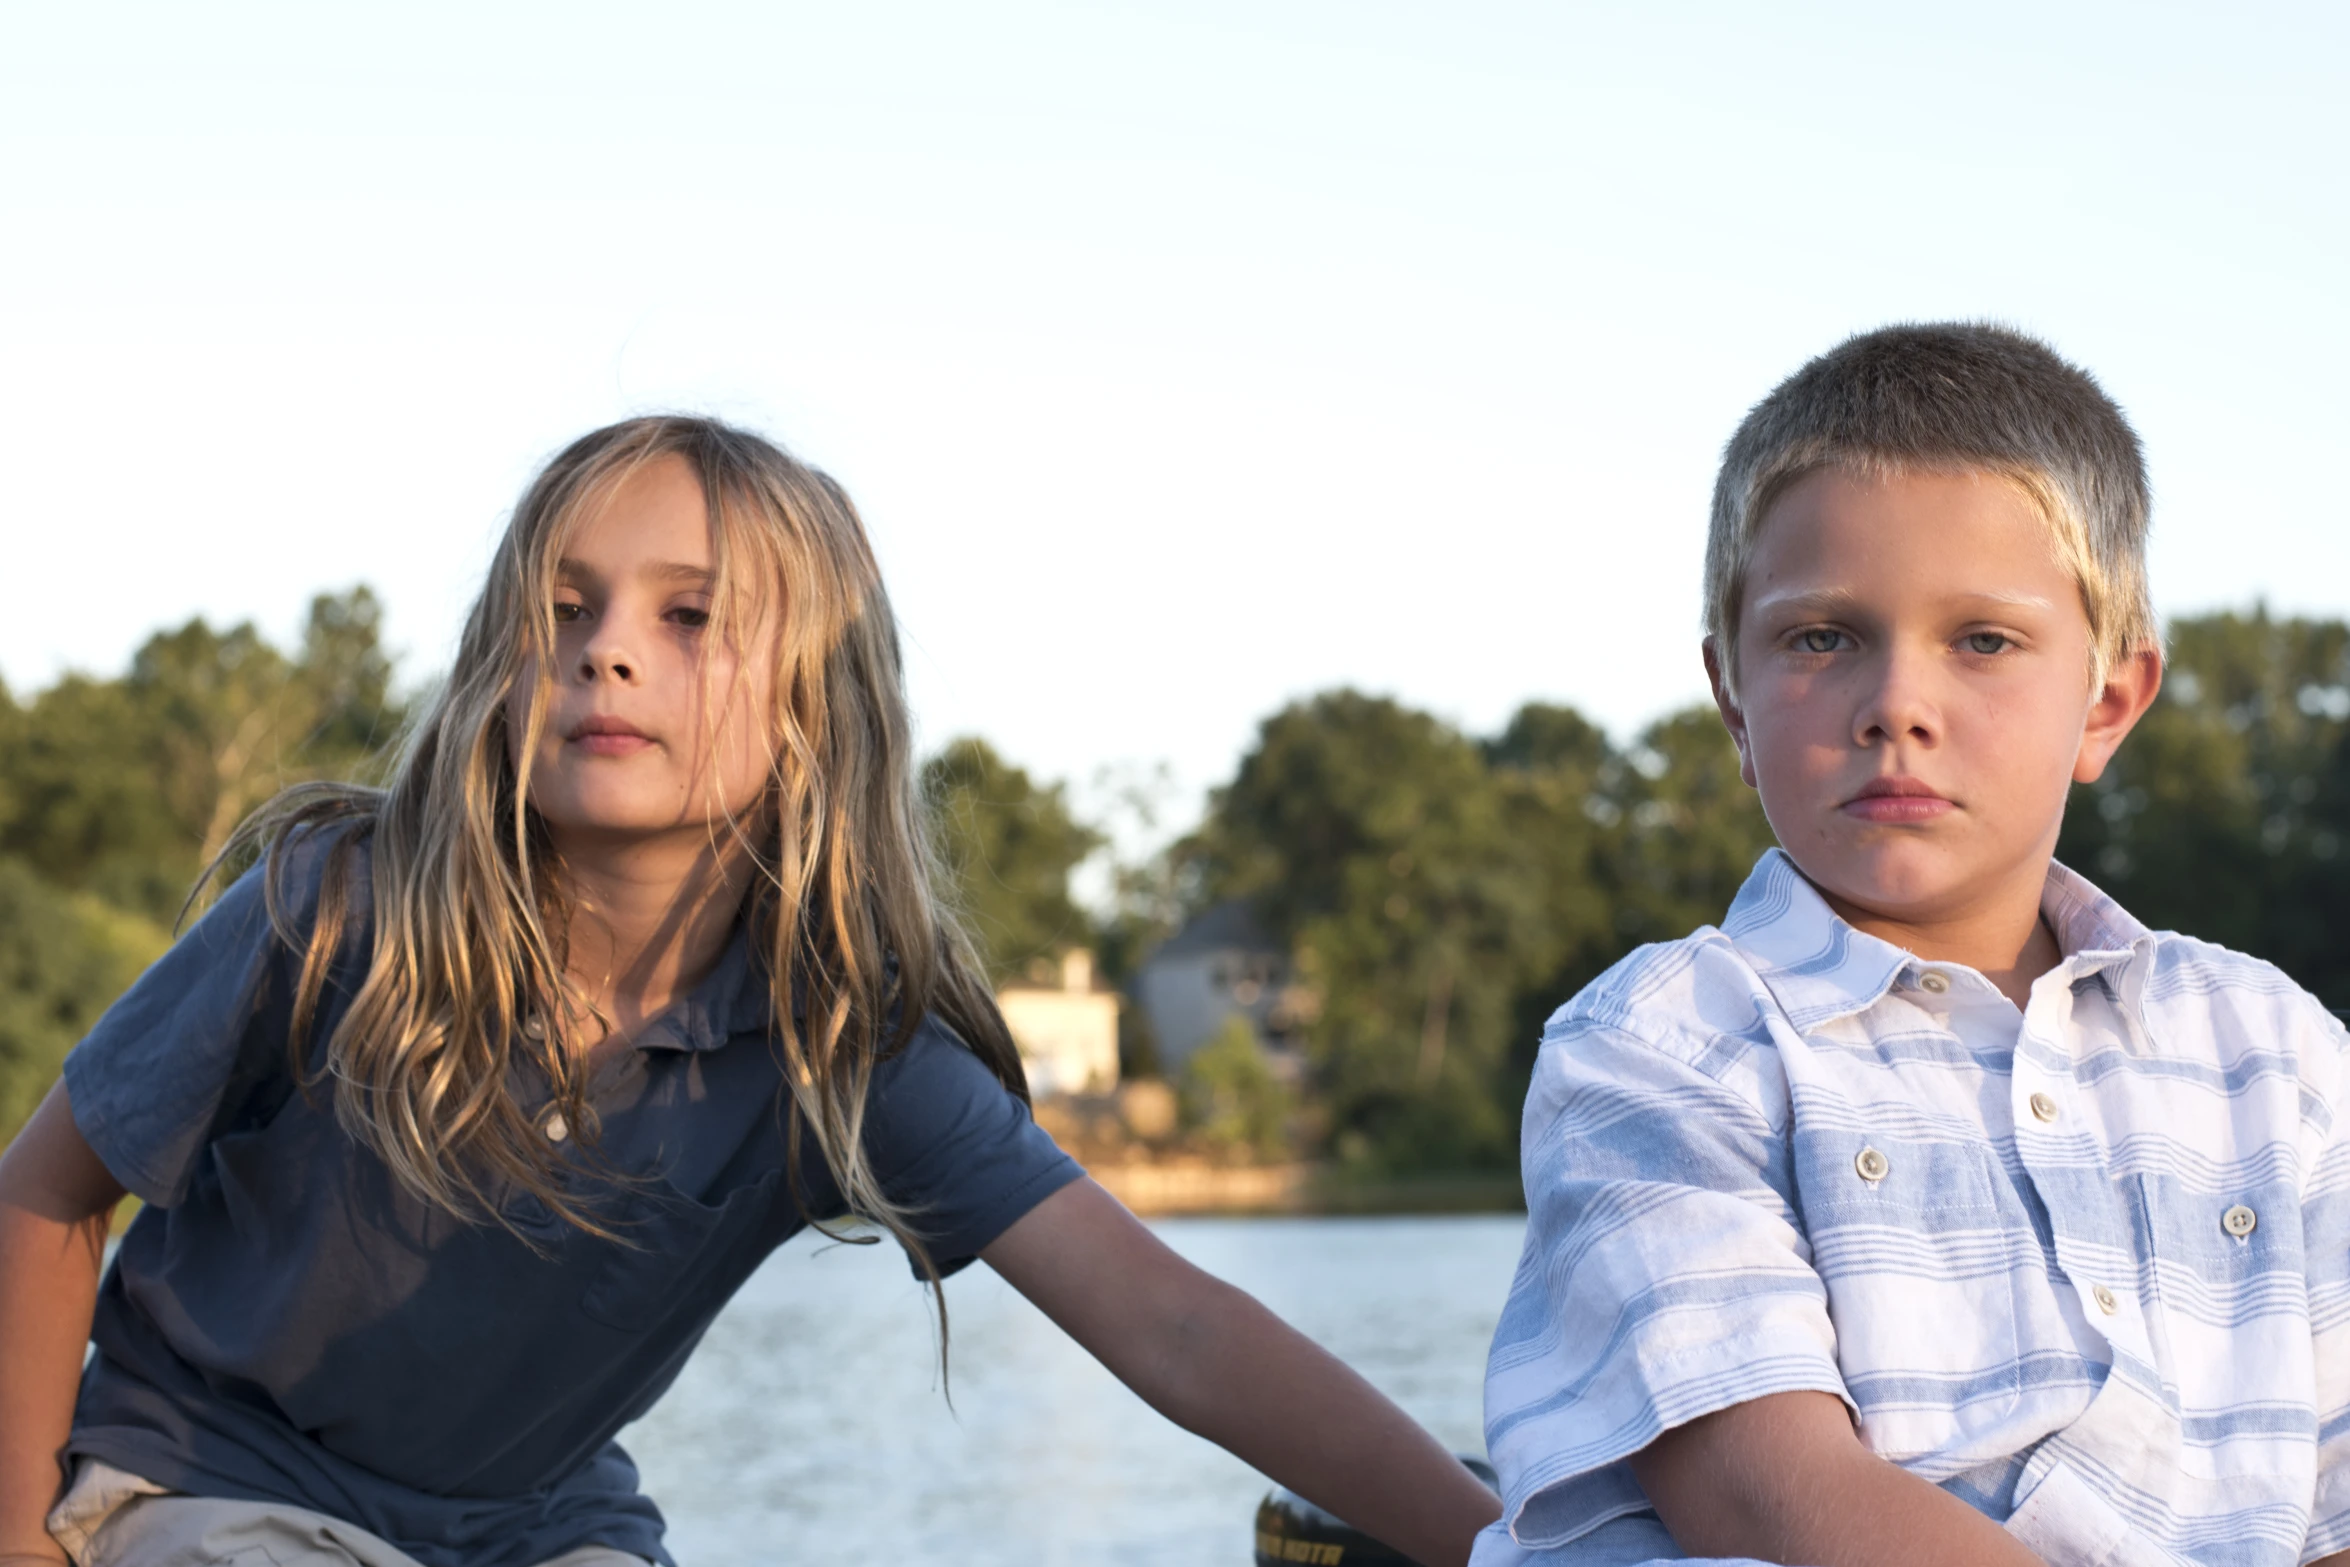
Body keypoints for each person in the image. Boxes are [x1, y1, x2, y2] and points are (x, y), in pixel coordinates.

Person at [0, 416, 1502, 1567]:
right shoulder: (335, 912)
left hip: (537, 1526)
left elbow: (1171, 1325)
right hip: (217, 1482)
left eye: (689, 617)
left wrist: (1500, 1545)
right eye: (566, 604)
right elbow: (42, 1199)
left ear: (812, 711)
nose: (607, 651)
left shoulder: (841, 1049)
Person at [1472, 324, 2350, 1567]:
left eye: (1982, 640)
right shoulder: (1663, 1045)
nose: (1895, 704)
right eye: (1821, 636)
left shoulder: (2277, 1054)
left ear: (2105, 702)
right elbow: (1764, 1490)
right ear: (1731, 691)